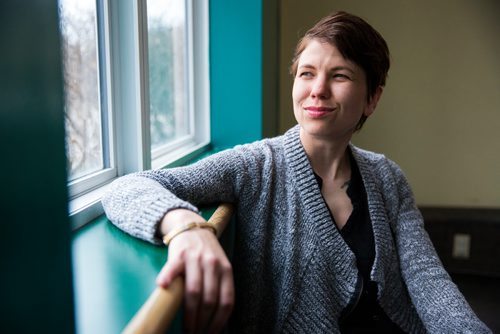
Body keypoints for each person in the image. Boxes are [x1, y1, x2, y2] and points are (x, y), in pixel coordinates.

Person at [102, 11, 491, 334]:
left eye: (340, 76)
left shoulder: (388, 178)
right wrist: (186, 228)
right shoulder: (254, 166)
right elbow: (125, 188)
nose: (317, 90)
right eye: (306, 73)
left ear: (372, 97)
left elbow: (428, 281)